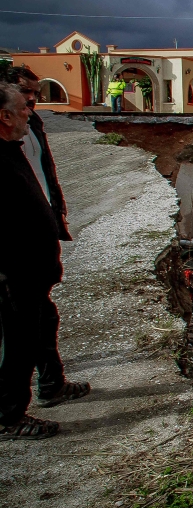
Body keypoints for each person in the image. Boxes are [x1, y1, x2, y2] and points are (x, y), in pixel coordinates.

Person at [9, 66, 90, 407]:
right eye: (26, 93)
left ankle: (51, 382)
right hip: (16, 249)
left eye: (37, 94)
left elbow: (43, 174)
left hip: (39, 239)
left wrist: (55, 214)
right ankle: (11, 408)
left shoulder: (31, 127)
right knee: (19, 331)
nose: (33, 102)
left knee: (43, 317)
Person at [0, 83, 67, 439]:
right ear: (4, 116)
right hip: (15, 275)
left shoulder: (11, 150)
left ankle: (52, 386)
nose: (30, 111)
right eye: (23, 106)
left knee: (39, 329)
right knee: (17, 345)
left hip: (33, 272)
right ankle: (9, 416)